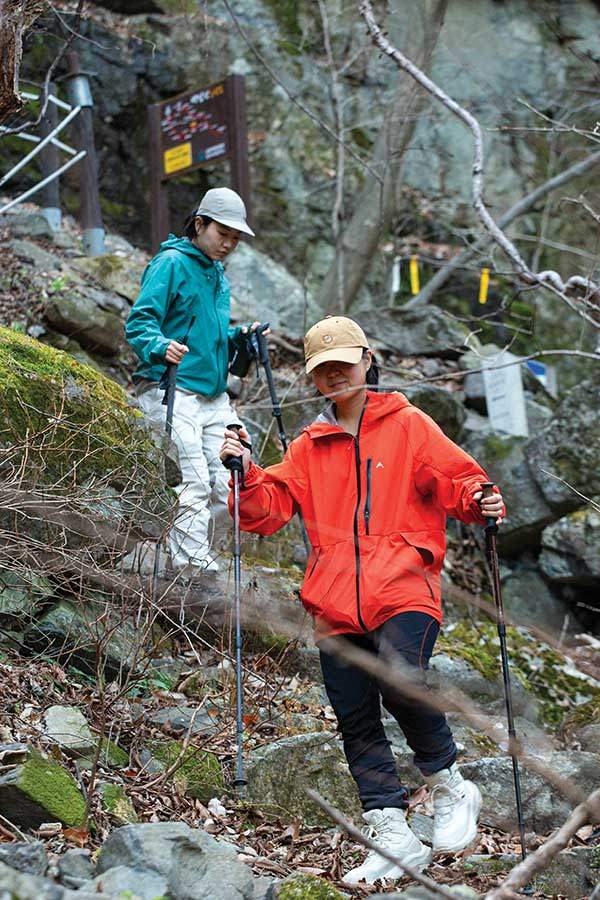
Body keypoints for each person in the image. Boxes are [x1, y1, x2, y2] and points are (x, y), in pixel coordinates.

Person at [220, 316, 505, 885]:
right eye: (323, 369)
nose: (335, 376)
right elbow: (266, 512)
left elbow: (458, 480)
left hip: (403, 584)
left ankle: (450, 785)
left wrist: (481, 498)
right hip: (334, 601)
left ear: (367, 361)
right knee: (355, 717)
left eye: (344, 364)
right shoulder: (307, 446)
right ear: (313, 376)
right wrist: (246, 472)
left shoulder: (408, 424)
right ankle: (391, 833)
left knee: (400, 677)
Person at [126, 187, 260, 576]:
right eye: (223, 233)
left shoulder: (216, 273)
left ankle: (196, 558)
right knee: (192, 481)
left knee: (228, 483)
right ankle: (190, 573)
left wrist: (239, 338)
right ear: (199, 224)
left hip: (213, 397)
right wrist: (159, 346)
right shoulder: (170, 263)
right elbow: (139, 322)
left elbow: (206, 335)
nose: (229, 243)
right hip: (170, 388)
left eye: (235, 237)